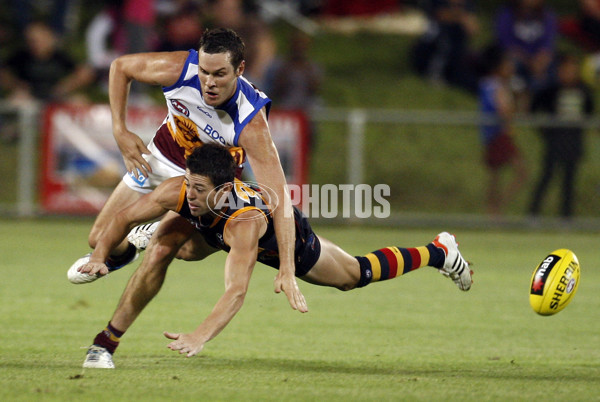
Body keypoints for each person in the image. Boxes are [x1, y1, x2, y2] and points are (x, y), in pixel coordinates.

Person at [76, 144, 473, 368]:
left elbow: (236, 291)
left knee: (355, 274)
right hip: (212, 231)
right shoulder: (179, 191)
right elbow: (123, 216)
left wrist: (200, 335)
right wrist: (99, 255)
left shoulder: (243, 224)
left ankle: (438, 251)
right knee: (171, 245)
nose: (190, 194)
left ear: (225, 187)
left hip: (285, 241)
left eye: (199, 189)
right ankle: (155, 244)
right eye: (189, 186)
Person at [68, 27, 305, 312]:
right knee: (99, 238)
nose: (209, 83)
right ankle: (133, 246)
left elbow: (279, 199)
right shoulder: (180, 68)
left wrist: (288, 269)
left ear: (240, 69)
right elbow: (120, 67)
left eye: (220, 74)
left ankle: (155, 232)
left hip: (207, 182)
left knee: (187, 252)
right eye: (205, 72)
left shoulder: (251, 121)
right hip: (159, 159)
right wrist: (120, 130)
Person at [528, 54, 594, 218]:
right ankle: (533, 215)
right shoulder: (551, 90)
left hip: (573, 140)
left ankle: (566, 217)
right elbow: (534, 108)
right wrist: (544, 130)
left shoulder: (584, 91)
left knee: (569, 180)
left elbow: (589, 113)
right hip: (555, 140)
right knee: (547, 176)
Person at [478, 44, 528, 216]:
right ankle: (496, 209)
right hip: (499, 134)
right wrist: (519, 101)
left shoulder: (487, 84)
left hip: (492, 135)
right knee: (520, 172)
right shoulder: (496, 85)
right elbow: (504, 111)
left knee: (496, 176)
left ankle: (493, 211)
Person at [0, 20, 95, 104]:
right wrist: (16, 85)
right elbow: (3, 72)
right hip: (29, 98)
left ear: (48, 38)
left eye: (37, 40)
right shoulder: (21, 56)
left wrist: (65, 87)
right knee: (14, 101)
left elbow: (85, 73)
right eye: (31, 40)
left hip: (56, 96)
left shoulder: (60, 56)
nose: (34, 44)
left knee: (80, 101)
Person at [410, 0, 480, 92]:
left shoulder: (468, 3)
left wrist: (457, 16)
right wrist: (461, 17)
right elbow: (440, 16)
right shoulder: (438, 2)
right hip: (435, 48)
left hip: (458, 51)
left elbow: (472, 28)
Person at [494, 0, 558, 96]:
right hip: (517, 59)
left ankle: (546, 98)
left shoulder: (547, 15)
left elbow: (548, 45)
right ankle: (510, 96)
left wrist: (540, 61)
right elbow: (506, 44)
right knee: (508, 64)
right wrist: (528, 61)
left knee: (554, 67)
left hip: (538, 61)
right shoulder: (506, 14)